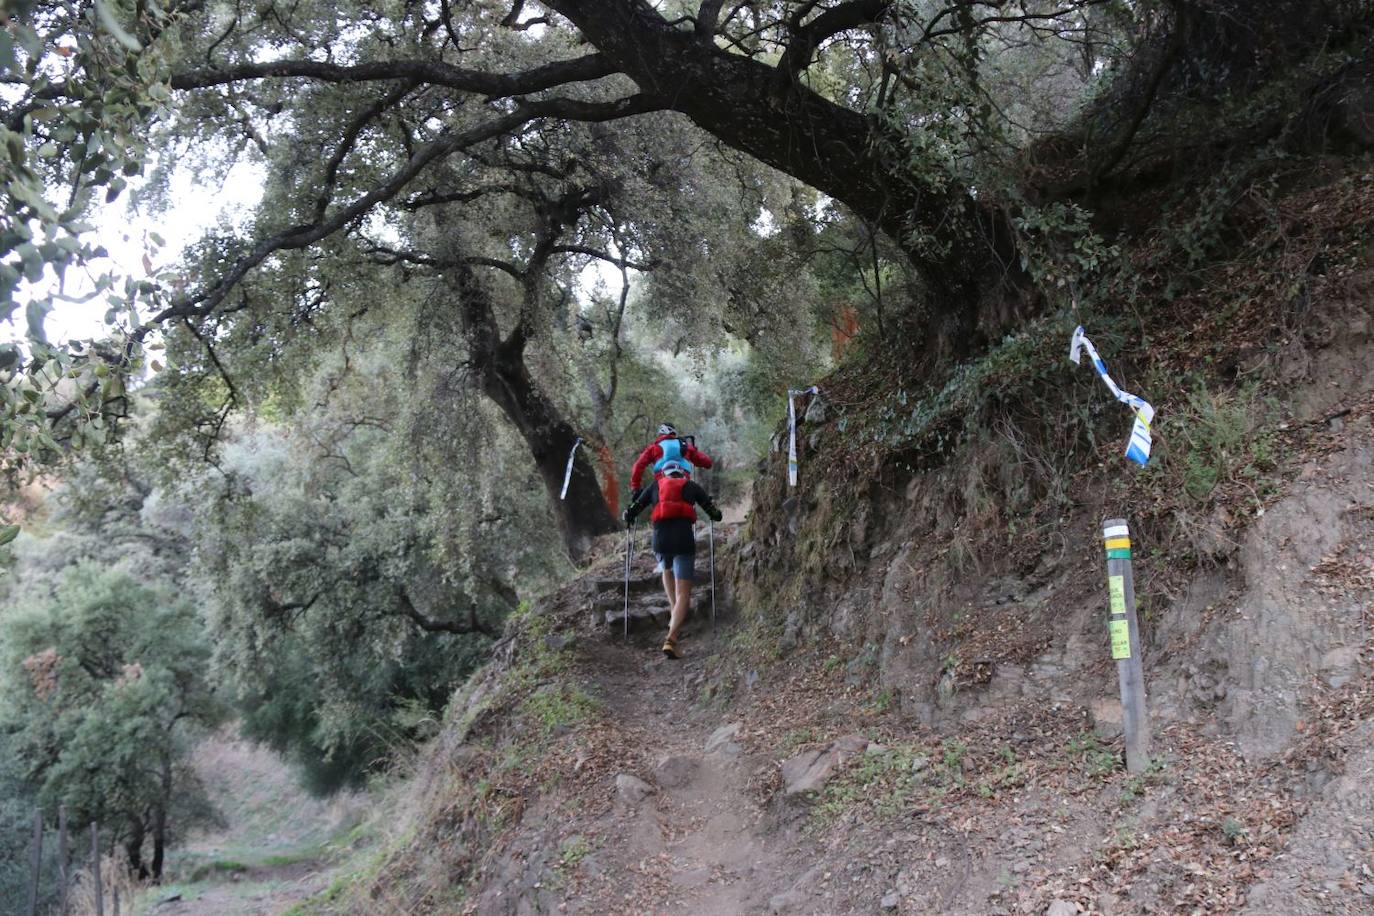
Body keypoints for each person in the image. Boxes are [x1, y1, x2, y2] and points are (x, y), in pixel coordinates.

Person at [623, 460, 722, 659]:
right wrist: (714, 509)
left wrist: (629, 514)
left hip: (660, 542)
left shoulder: (654, 486)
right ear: (682, 473)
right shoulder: (692, 486)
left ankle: (674, 612)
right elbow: (715, 514)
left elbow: (633, 510)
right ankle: (672, 638)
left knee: (666, 569)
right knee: (684, 594)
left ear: (664, 473)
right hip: (683, 542)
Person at [630, 423, 714, 495]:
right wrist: (694, 452)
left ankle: (629, 513)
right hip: (685, 485)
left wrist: (635, 487)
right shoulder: (686, 447)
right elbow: (707, 462)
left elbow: (638, 466)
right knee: (702, 503)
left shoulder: (653, 448)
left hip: (661, 486)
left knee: (640, 504)